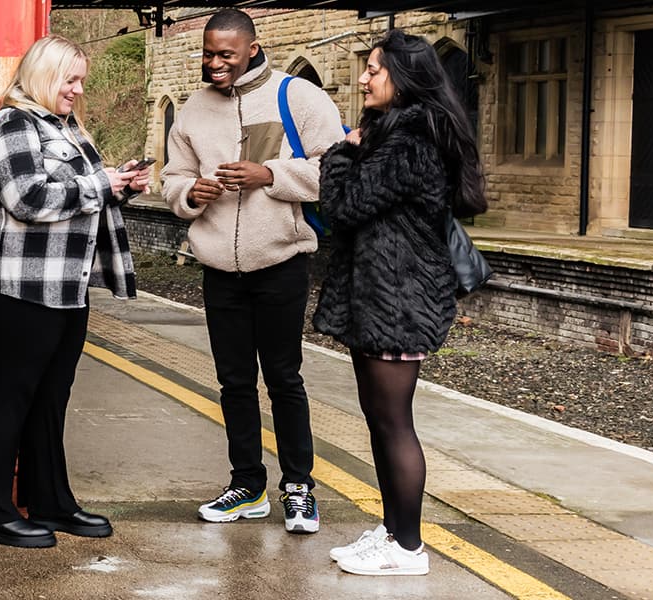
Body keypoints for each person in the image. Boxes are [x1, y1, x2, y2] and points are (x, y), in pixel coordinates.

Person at [160, 8, 345, 534]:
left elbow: (336, 171)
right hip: (218, 266)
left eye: (226, 55)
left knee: (285, 378)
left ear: (252, 47)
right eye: (208, 53)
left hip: (281, 260)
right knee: (233, 381)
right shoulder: (193, 109)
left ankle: (299, 487)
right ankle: (247, 484)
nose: (215, 64)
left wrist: (270, 173)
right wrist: (189, 194)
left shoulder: (298, 96)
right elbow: (172, 176)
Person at [0, 36, 146, 549]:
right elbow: (27, 198)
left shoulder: (63, 127)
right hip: (22, 284)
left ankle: (50, 501)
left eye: (80, 80)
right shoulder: (13, 124)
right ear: (44, 76)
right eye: (70, 80)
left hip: (66, 283)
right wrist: (102, 184)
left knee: (50, 396)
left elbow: (79, 200)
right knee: (12, 394)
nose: (78, 90)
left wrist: (120, 185)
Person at [316, 30, 486, 577]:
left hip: (399, 300)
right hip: (386, 296)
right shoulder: (399, 135)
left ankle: (408, 547)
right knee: (380, 420)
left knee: (393, 423)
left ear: (404, 78)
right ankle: (393, 531)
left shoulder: (410, 141)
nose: (365, 78)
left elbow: (342, 208)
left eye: (374, 69)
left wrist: (341, 152)